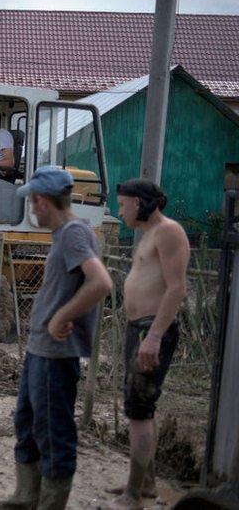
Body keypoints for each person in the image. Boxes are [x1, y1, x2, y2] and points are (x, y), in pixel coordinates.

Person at [0, 166, 112, 509]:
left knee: (52, 431)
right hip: (41, 350)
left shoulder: (74, 233)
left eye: (32, 202)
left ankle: (49, 503)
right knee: (27, 421)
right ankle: (25, 496)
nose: (30, 210)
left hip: (56, 355)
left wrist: (62, 315)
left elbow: (101, 283)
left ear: (44, 201)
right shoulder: (64, 235)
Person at [105, 180, 189, 510]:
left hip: (151, 332)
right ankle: (146, 483)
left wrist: (154, 336)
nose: (120, 211)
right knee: (139, 409)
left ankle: (134, 496)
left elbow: (176, 289)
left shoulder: (169, 232)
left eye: (124, 205)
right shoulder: (149, 234)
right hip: (139, 329)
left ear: (140, 203)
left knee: (139, 412)